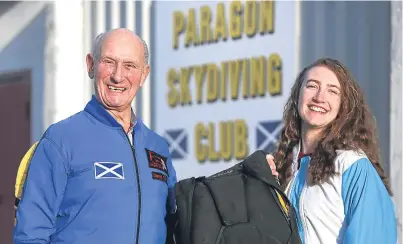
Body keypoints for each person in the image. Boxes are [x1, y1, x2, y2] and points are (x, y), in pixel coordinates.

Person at [14, 28, 177, 244]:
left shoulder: (158, 148)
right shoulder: (60, 140)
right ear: (91, 65)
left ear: (144, 74)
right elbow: (31, 234)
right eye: (109, 62)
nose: (118, 76)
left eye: (130, 66)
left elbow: (175, 227)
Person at [265, 58, 397, 244]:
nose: (320, 97)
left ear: (343, 105)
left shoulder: (352, 165)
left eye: (332, 91)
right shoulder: (282, 169)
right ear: (297, 95)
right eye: (312, 86)